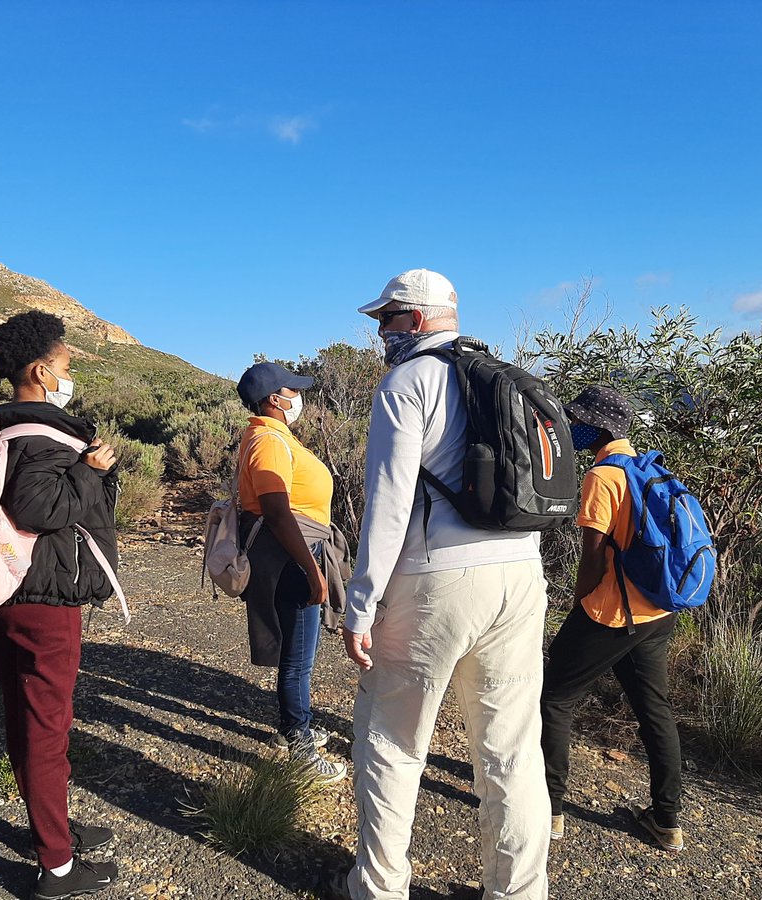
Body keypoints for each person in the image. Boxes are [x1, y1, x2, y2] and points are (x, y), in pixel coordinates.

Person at [333, 270, 551, 899]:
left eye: (389, 318)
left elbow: (389, 503)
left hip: (438, 577)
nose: (381, 331)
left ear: (419, 319)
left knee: (393, 737)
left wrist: (361, 604)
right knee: (511, 749)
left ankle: (377, 888)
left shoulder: (407, 382)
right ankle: (517, 892)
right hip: (521, 573)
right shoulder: (503, 377)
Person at [0, 310, 119, 899]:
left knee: (23, 710)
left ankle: (53, 828)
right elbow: (41, 510)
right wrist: (90, 472)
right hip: (40, 597)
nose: (69, 372)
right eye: (65, 363)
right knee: (48, 724)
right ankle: (56, 867)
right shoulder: (44, 433)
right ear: (41, 370)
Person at [539, 385, 685, 852]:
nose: (572, 427)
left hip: (611, 613)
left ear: (597, 427)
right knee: (654, 711)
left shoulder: (603, 476)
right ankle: (666, 820)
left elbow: (594, 560)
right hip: (657, 613)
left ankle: (550, 810)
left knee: (555, 698)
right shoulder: (650, 468)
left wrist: (575, 612)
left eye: (578, 420)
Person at [234, 362, 350, 784]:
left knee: (296, 652)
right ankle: (298, 744)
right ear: (273, 400)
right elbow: (278, 512)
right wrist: (311, 569)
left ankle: (293, 726)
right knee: (299, 657)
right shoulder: (268, 440)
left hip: (290, 552)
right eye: (292, 390)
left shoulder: (272, 437)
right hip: (290, 556)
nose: (298, 397)